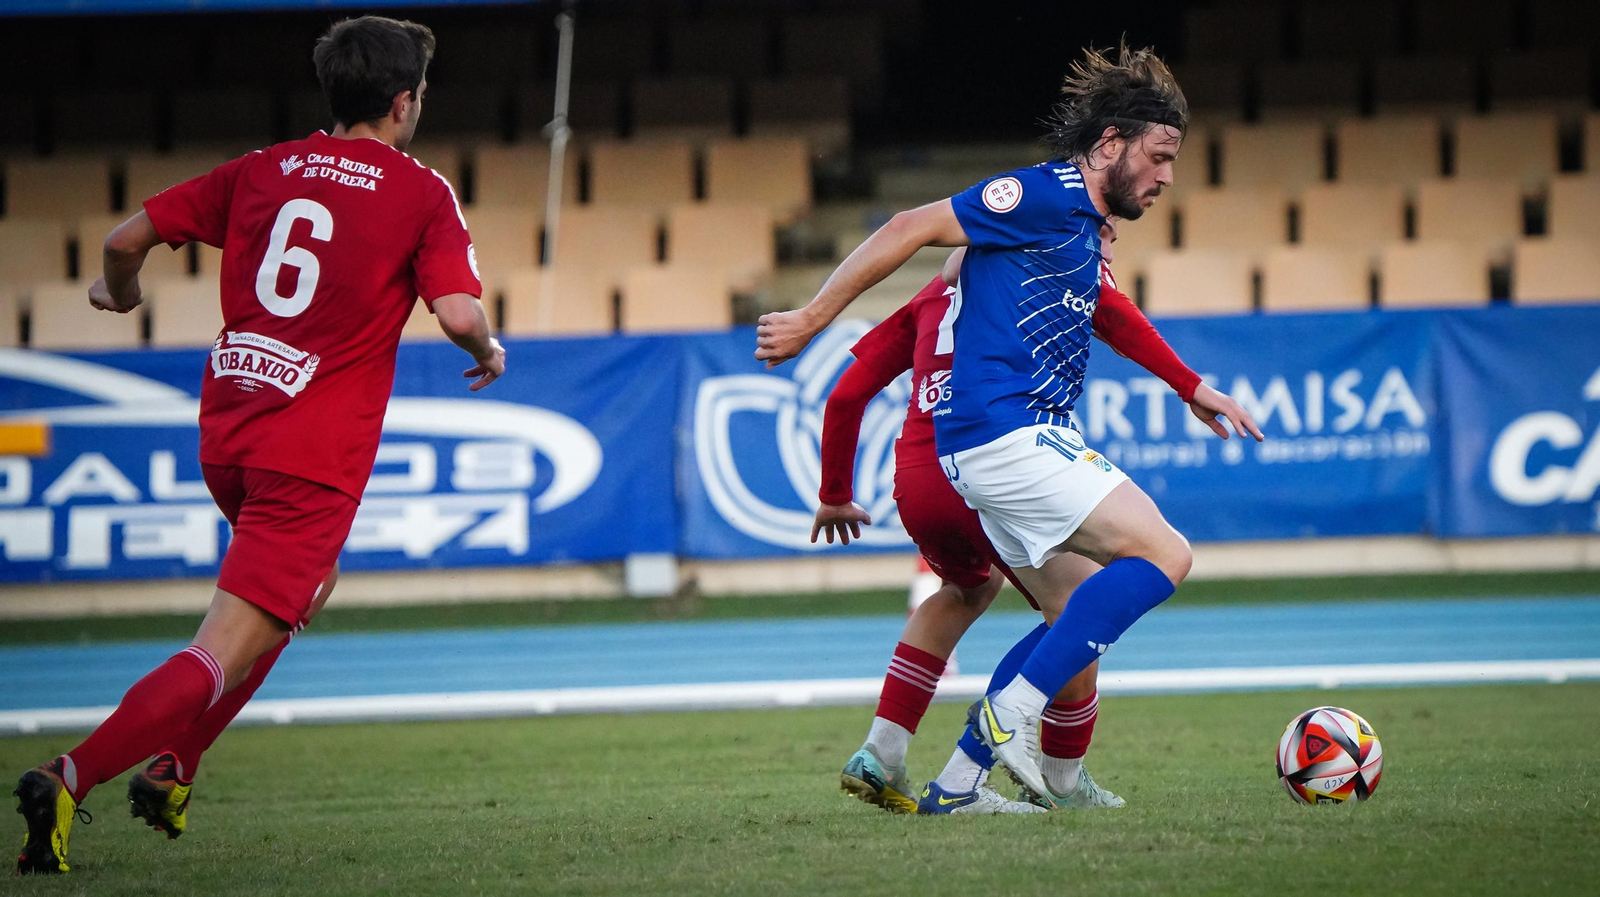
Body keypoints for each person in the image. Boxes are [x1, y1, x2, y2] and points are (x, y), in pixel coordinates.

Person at [13, 16, 504, 874]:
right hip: (309, 455)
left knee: (306, 587)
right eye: (421, 95)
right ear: (403, 103)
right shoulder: (420, 190)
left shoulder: (262, 169)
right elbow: (459, 313)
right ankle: (71, 774)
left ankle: (177, 766)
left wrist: (119, 293)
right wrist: (487, 349)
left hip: (231, 432)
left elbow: (124, 241)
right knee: (218, 647)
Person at [757, 43, 1261, 806]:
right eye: (1158, 157)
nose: (1165, 178)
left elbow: (1111, 314)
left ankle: (962, 780)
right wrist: (811, 316)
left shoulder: (1079, 228)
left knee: (1078, 603)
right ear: (1110, 144)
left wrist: (1191, 385)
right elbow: (909, 224)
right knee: (1164, 552)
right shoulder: (1044, 196)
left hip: (990, 447)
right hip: (1007, 435)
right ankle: (1008, 716)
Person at [821, 221, 1211, 813]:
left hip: (921, 476)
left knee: (965, 591)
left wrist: (834, 492)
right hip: (996, 459)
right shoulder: (1046, 272)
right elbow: (1115, 314)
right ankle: (1023, 771)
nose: (1103, 248)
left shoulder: (932, 299)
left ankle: (885, 749)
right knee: (1081, 613)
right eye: (1102, 235)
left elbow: (846, 395)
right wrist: (1190, 384)